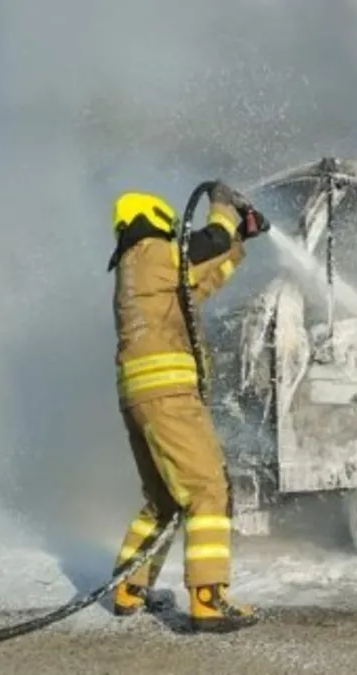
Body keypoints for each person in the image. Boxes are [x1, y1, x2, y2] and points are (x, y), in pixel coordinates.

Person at [105, 183, 265, 633]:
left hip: (143, 400)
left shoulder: (141, 271)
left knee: (162, 500)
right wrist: (222, 207)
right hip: (170, 398)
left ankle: (127, 587)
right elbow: (206, 244)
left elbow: (202, 278)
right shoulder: (150, 251)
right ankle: (208, 599)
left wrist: (239, 243)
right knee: (207, 488)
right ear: (153, 219)